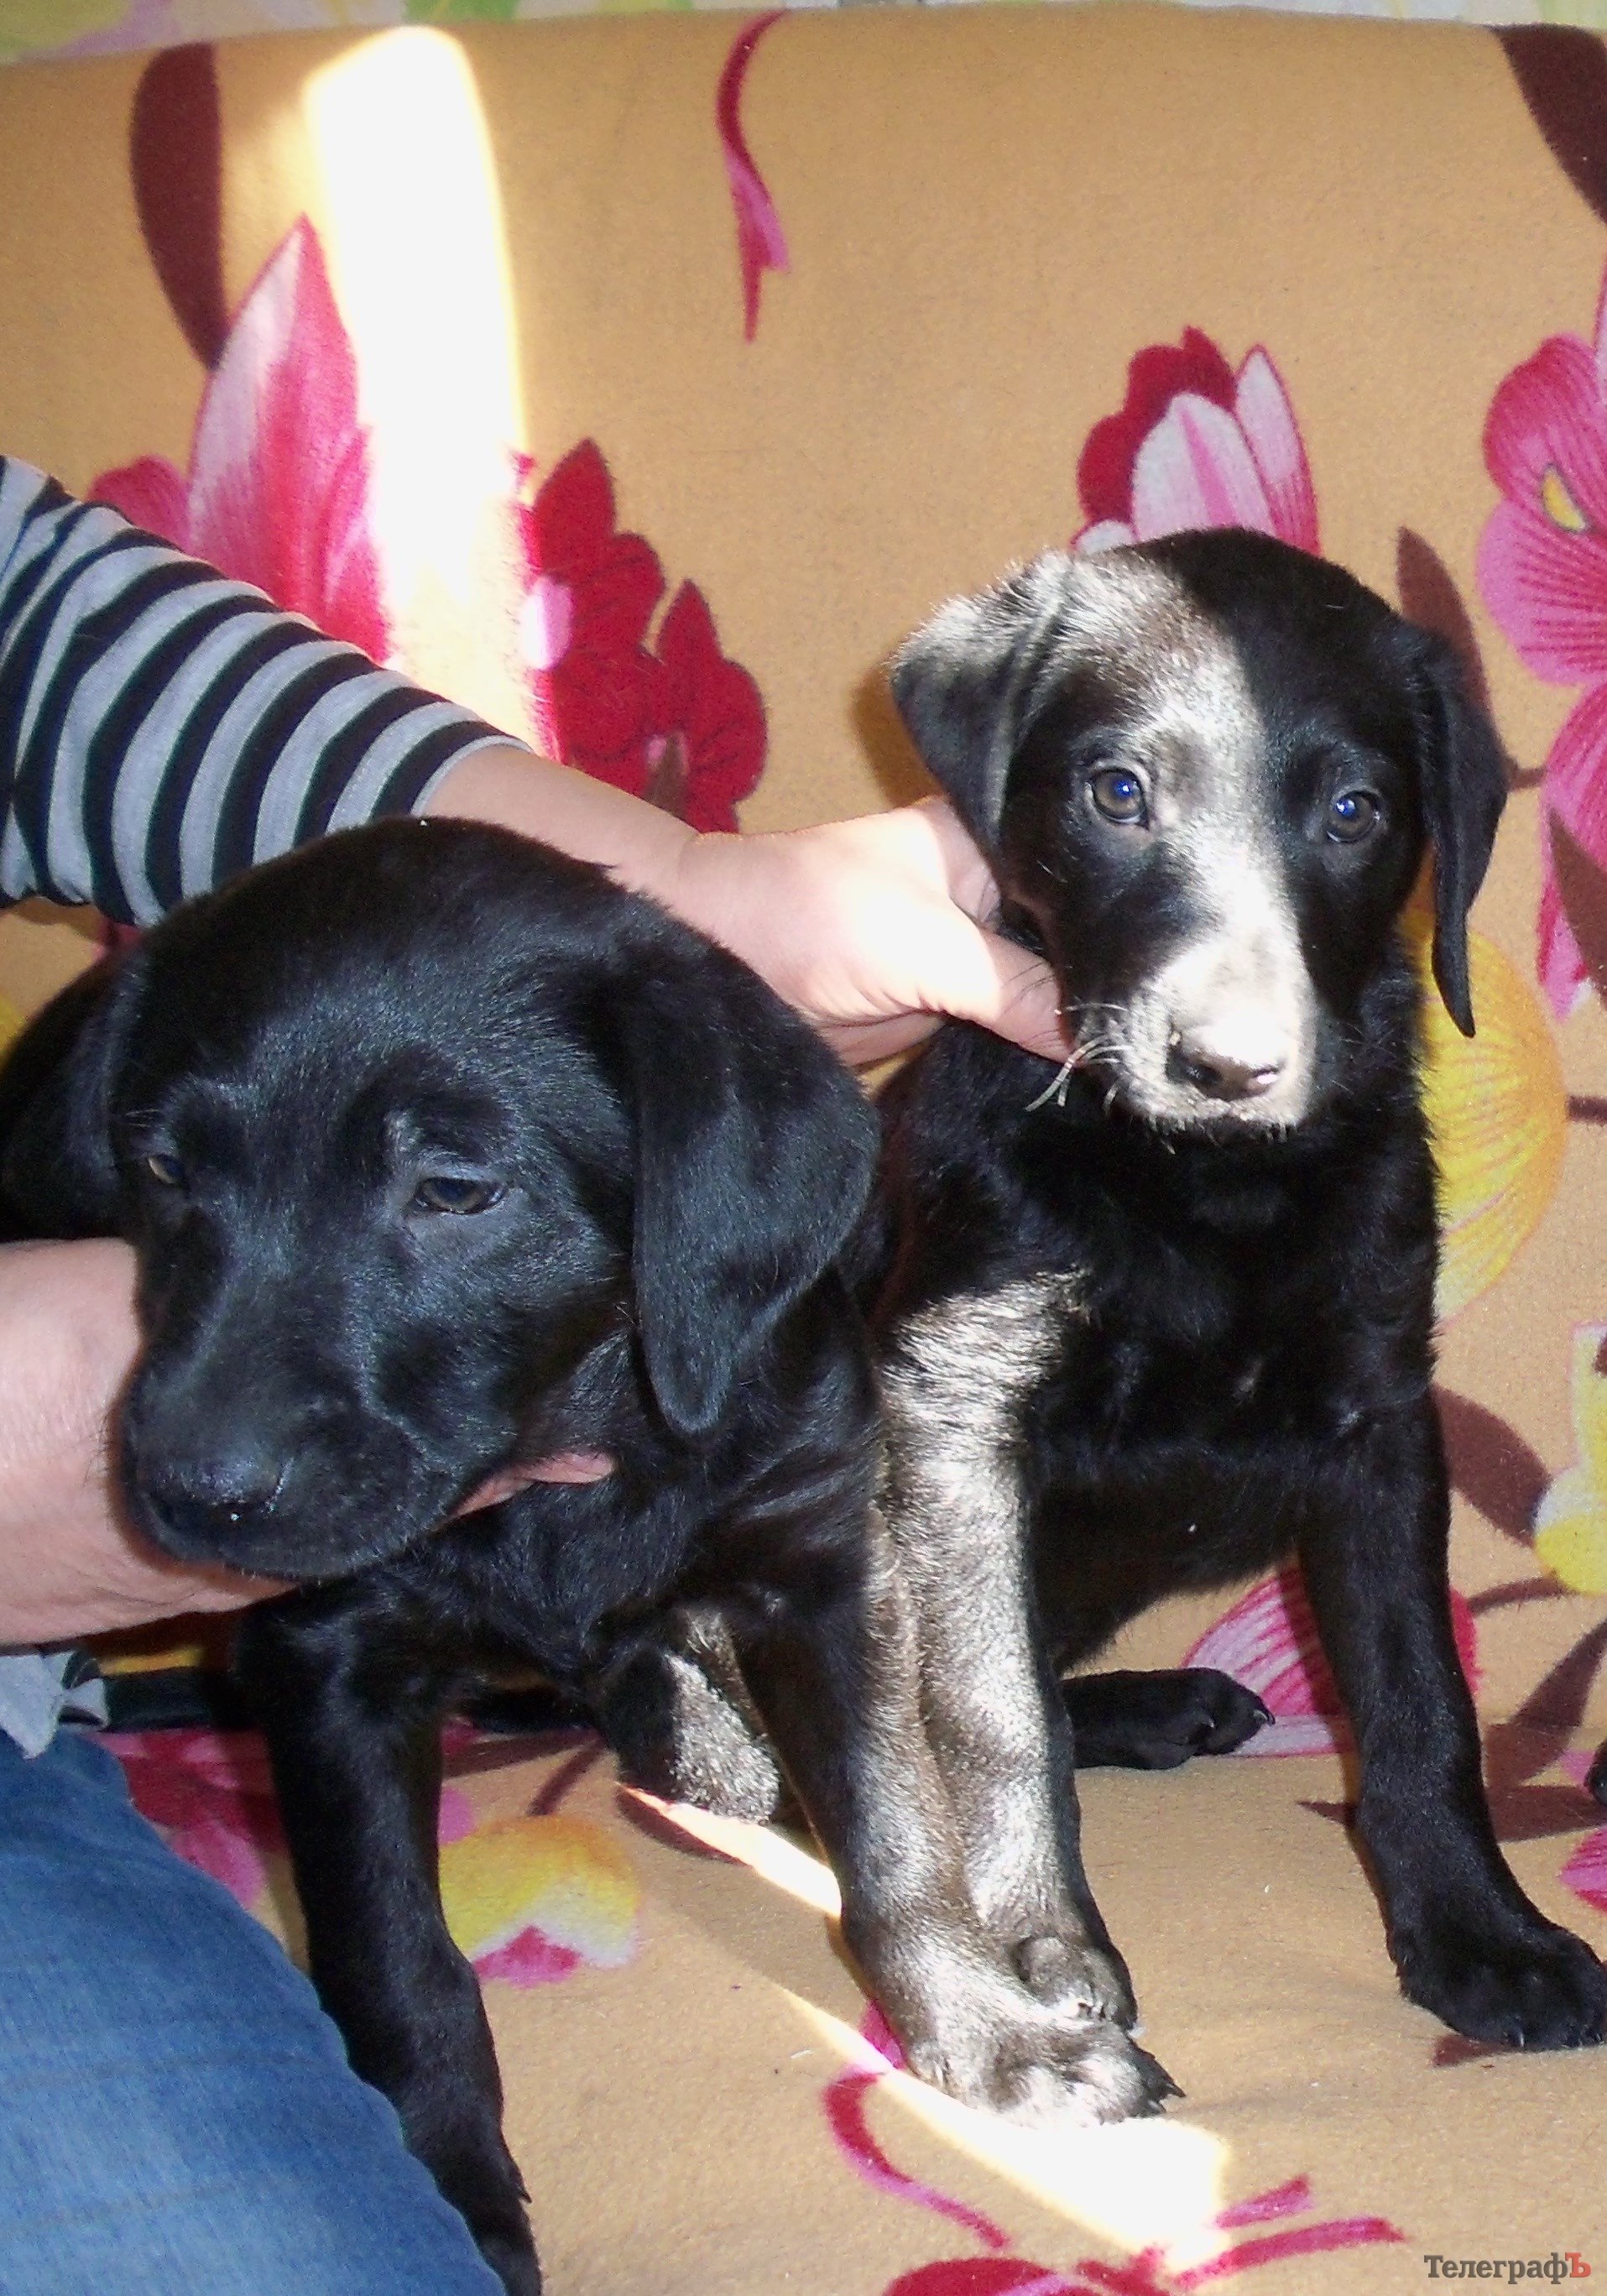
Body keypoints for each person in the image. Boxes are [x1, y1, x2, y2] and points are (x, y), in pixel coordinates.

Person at [0, 457, 1065, 2292]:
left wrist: (691, 888)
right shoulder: (130, 1081)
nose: (215, 1428)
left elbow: (51, 646)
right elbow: (330, 1666)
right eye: (182, 1172)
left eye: (448, 1188)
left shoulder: (722, 1225)